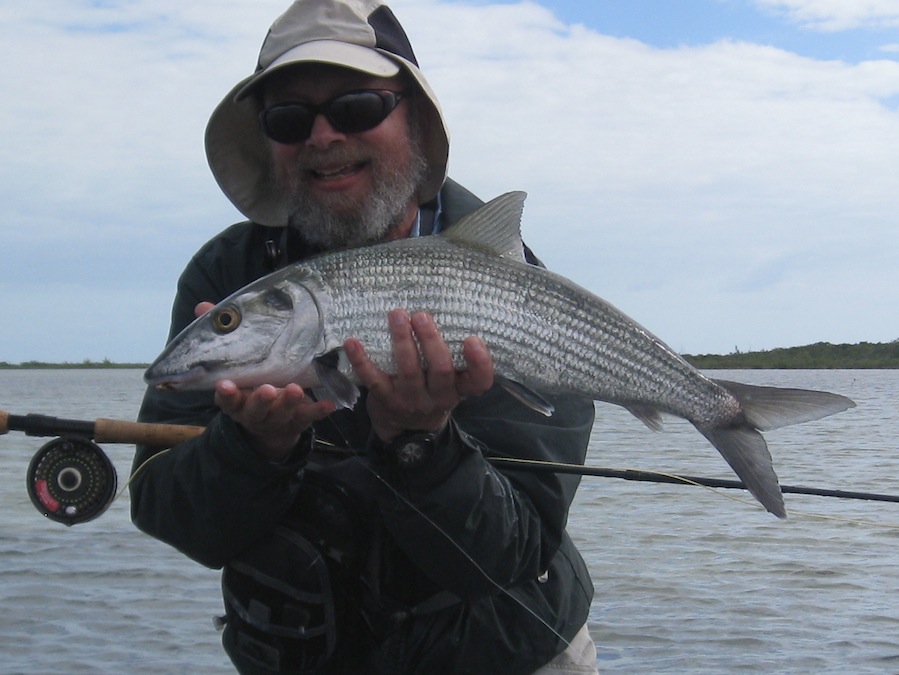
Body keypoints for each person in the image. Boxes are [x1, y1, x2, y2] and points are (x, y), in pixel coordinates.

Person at [131, 1, 598, 673]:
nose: (322, 136)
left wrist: (421, 443)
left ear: (414, 117)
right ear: (267, 142)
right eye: (289, 119)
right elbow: (166, 507)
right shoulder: (225, 275)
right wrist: (254, 446)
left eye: (355, 107)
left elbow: (507, 557)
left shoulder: (516, 296)